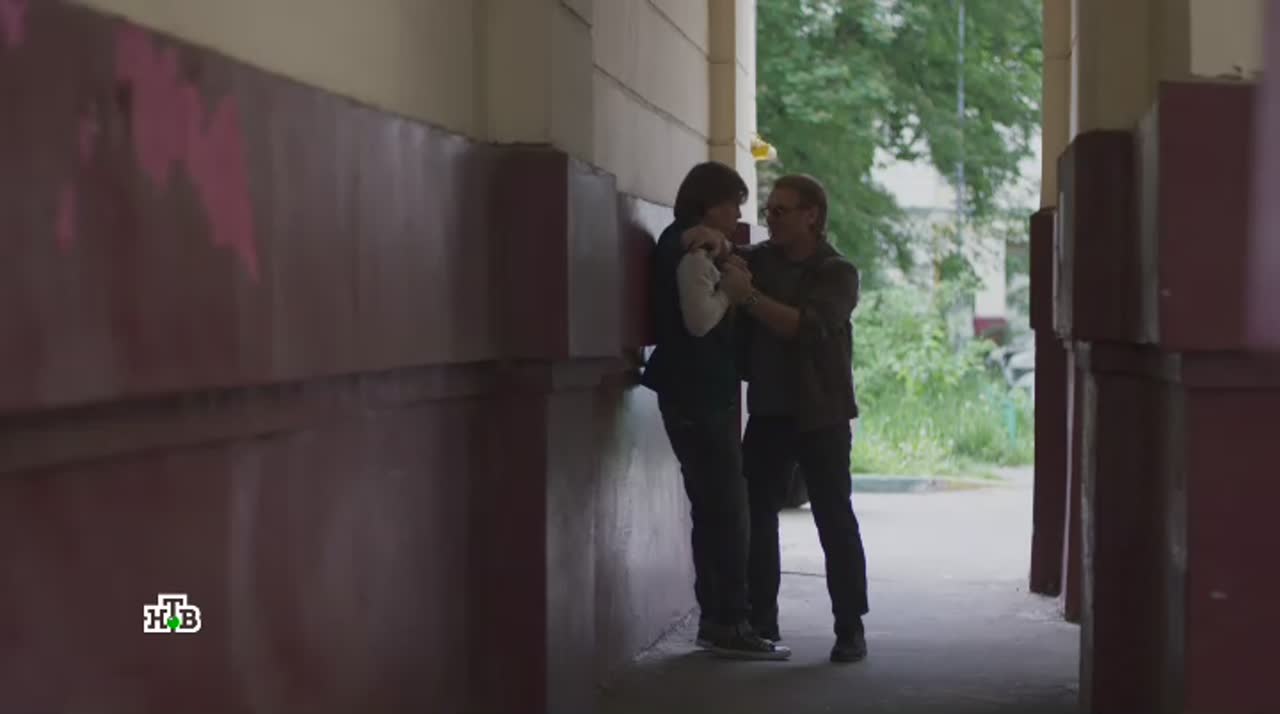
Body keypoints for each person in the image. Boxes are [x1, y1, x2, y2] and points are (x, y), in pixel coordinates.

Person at [717, 173, 870, 664]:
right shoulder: (759, 260)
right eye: (769, 210)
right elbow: (723, 257)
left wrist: (748, 298)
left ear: (812, 216)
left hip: (822, 413)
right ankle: (761, 622)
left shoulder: (837, 272)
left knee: (833, 518)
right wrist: (705, 240)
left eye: (781, 211)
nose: (771, 218)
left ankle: (850, 627)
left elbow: (807, 327)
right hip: (769, 410)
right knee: (757, 517)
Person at [640, 161, 790, 661]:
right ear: (709, 205)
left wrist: (724, 251)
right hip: (700, 395)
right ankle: (730, 622)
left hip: (690, 392)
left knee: (713, 510)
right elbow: (701, 321)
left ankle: (719, 618)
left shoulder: (689, 243)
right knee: (728, 512)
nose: (737, 216)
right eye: (732, 205)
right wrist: (733, 290)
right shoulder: (694, 254)